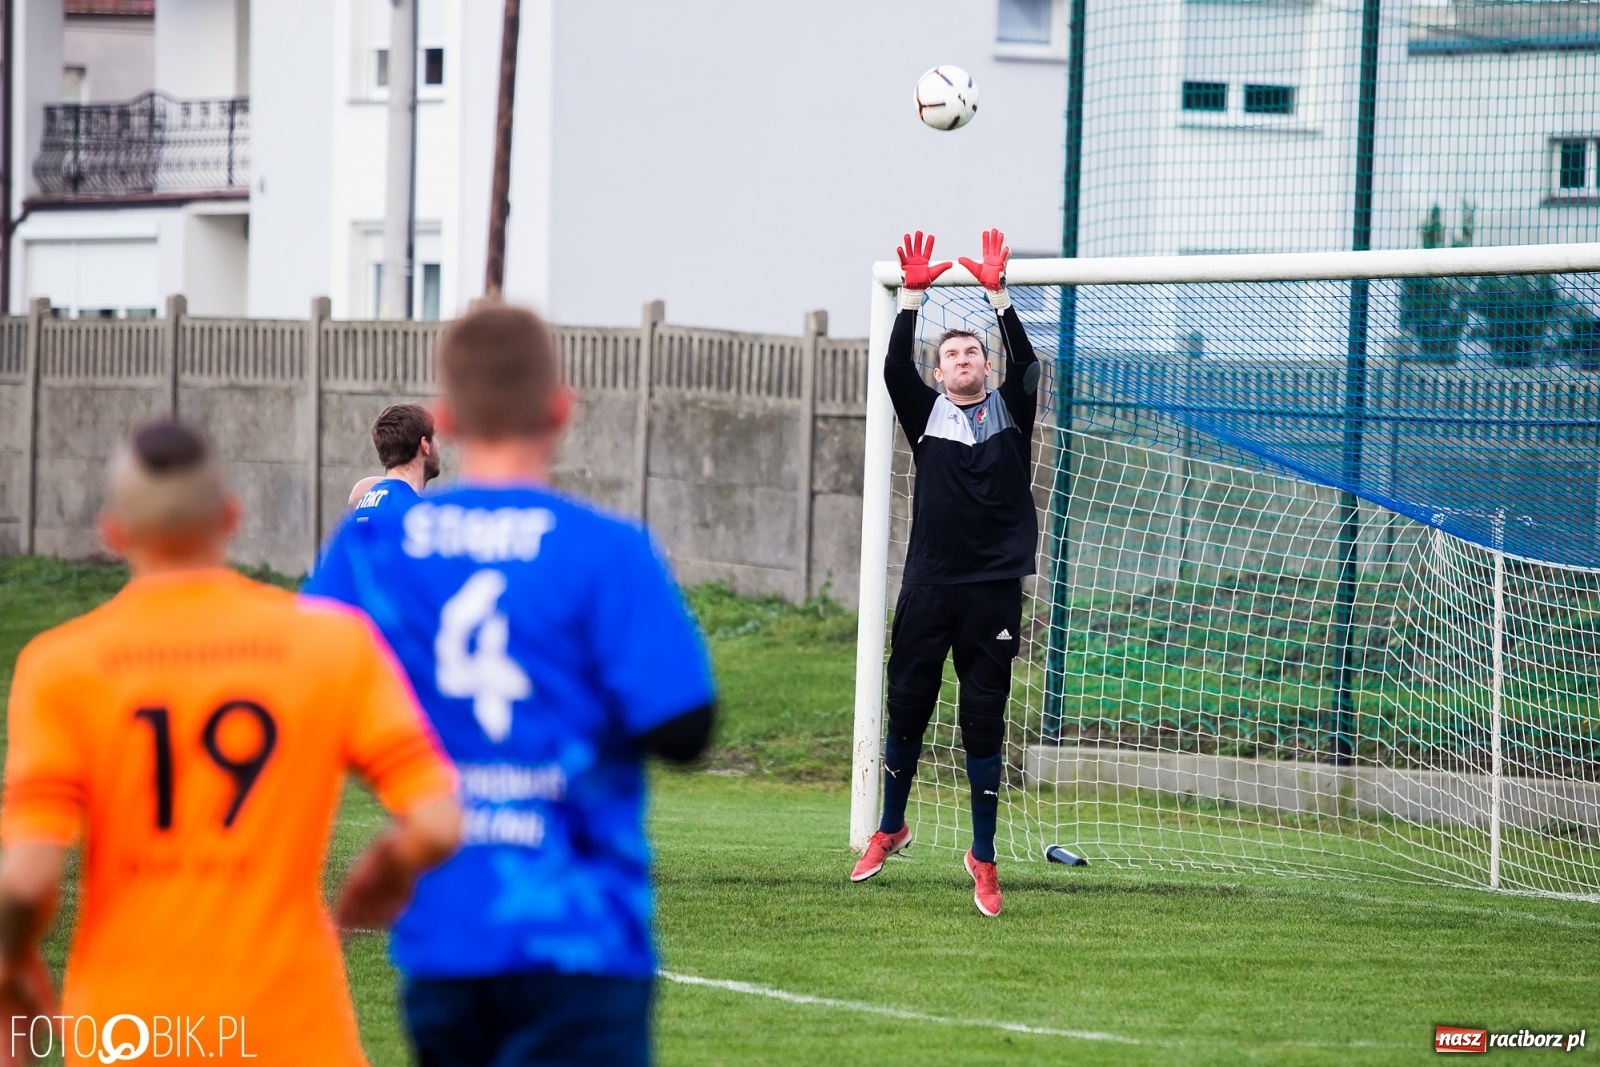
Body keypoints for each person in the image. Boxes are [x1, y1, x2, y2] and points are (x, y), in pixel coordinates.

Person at [304, 303, 717, 1067]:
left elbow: (304, 682)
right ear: (560, 409)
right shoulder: (607, 550)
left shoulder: (377, 549)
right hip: (582, 935)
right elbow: (685, 727)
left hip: (445, 935)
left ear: (451, 419)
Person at [0, 420, 461, 1066]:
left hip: (129, 1027)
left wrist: (12, 970)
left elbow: (24, 881)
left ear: (114, 531)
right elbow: (438, 819)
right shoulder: (326, 648)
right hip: (290, 1029)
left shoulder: (60, 668)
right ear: (232, 517)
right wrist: (377, 879)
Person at [849, 230, 1040, 918]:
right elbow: (893, 366)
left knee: (983, 722)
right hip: (928, 585)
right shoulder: (923, 412)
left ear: (985, 367)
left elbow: (1029, 364)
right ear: (938, 373)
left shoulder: (1012, 414)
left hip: (992, 589)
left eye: (972, 352)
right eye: (950, 354)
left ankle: (983, 858)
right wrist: (913, 298)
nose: (962, 359)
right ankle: (890, 827)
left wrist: (998, 298)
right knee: (908, 706)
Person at [347, 402, 442, 518]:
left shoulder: (363, 501)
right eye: (434, 437)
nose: (438, 445)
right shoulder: (415, 511)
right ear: (425, 445)